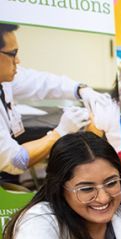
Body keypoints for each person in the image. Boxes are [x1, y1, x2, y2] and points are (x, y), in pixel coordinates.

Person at [0, 23, 108, 174]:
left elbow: (43, 82)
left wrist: (81, 89)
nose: (18, 60)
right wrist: (60, 132)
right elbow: (16, 161)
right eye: (13, 53)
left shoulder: (6, 79)